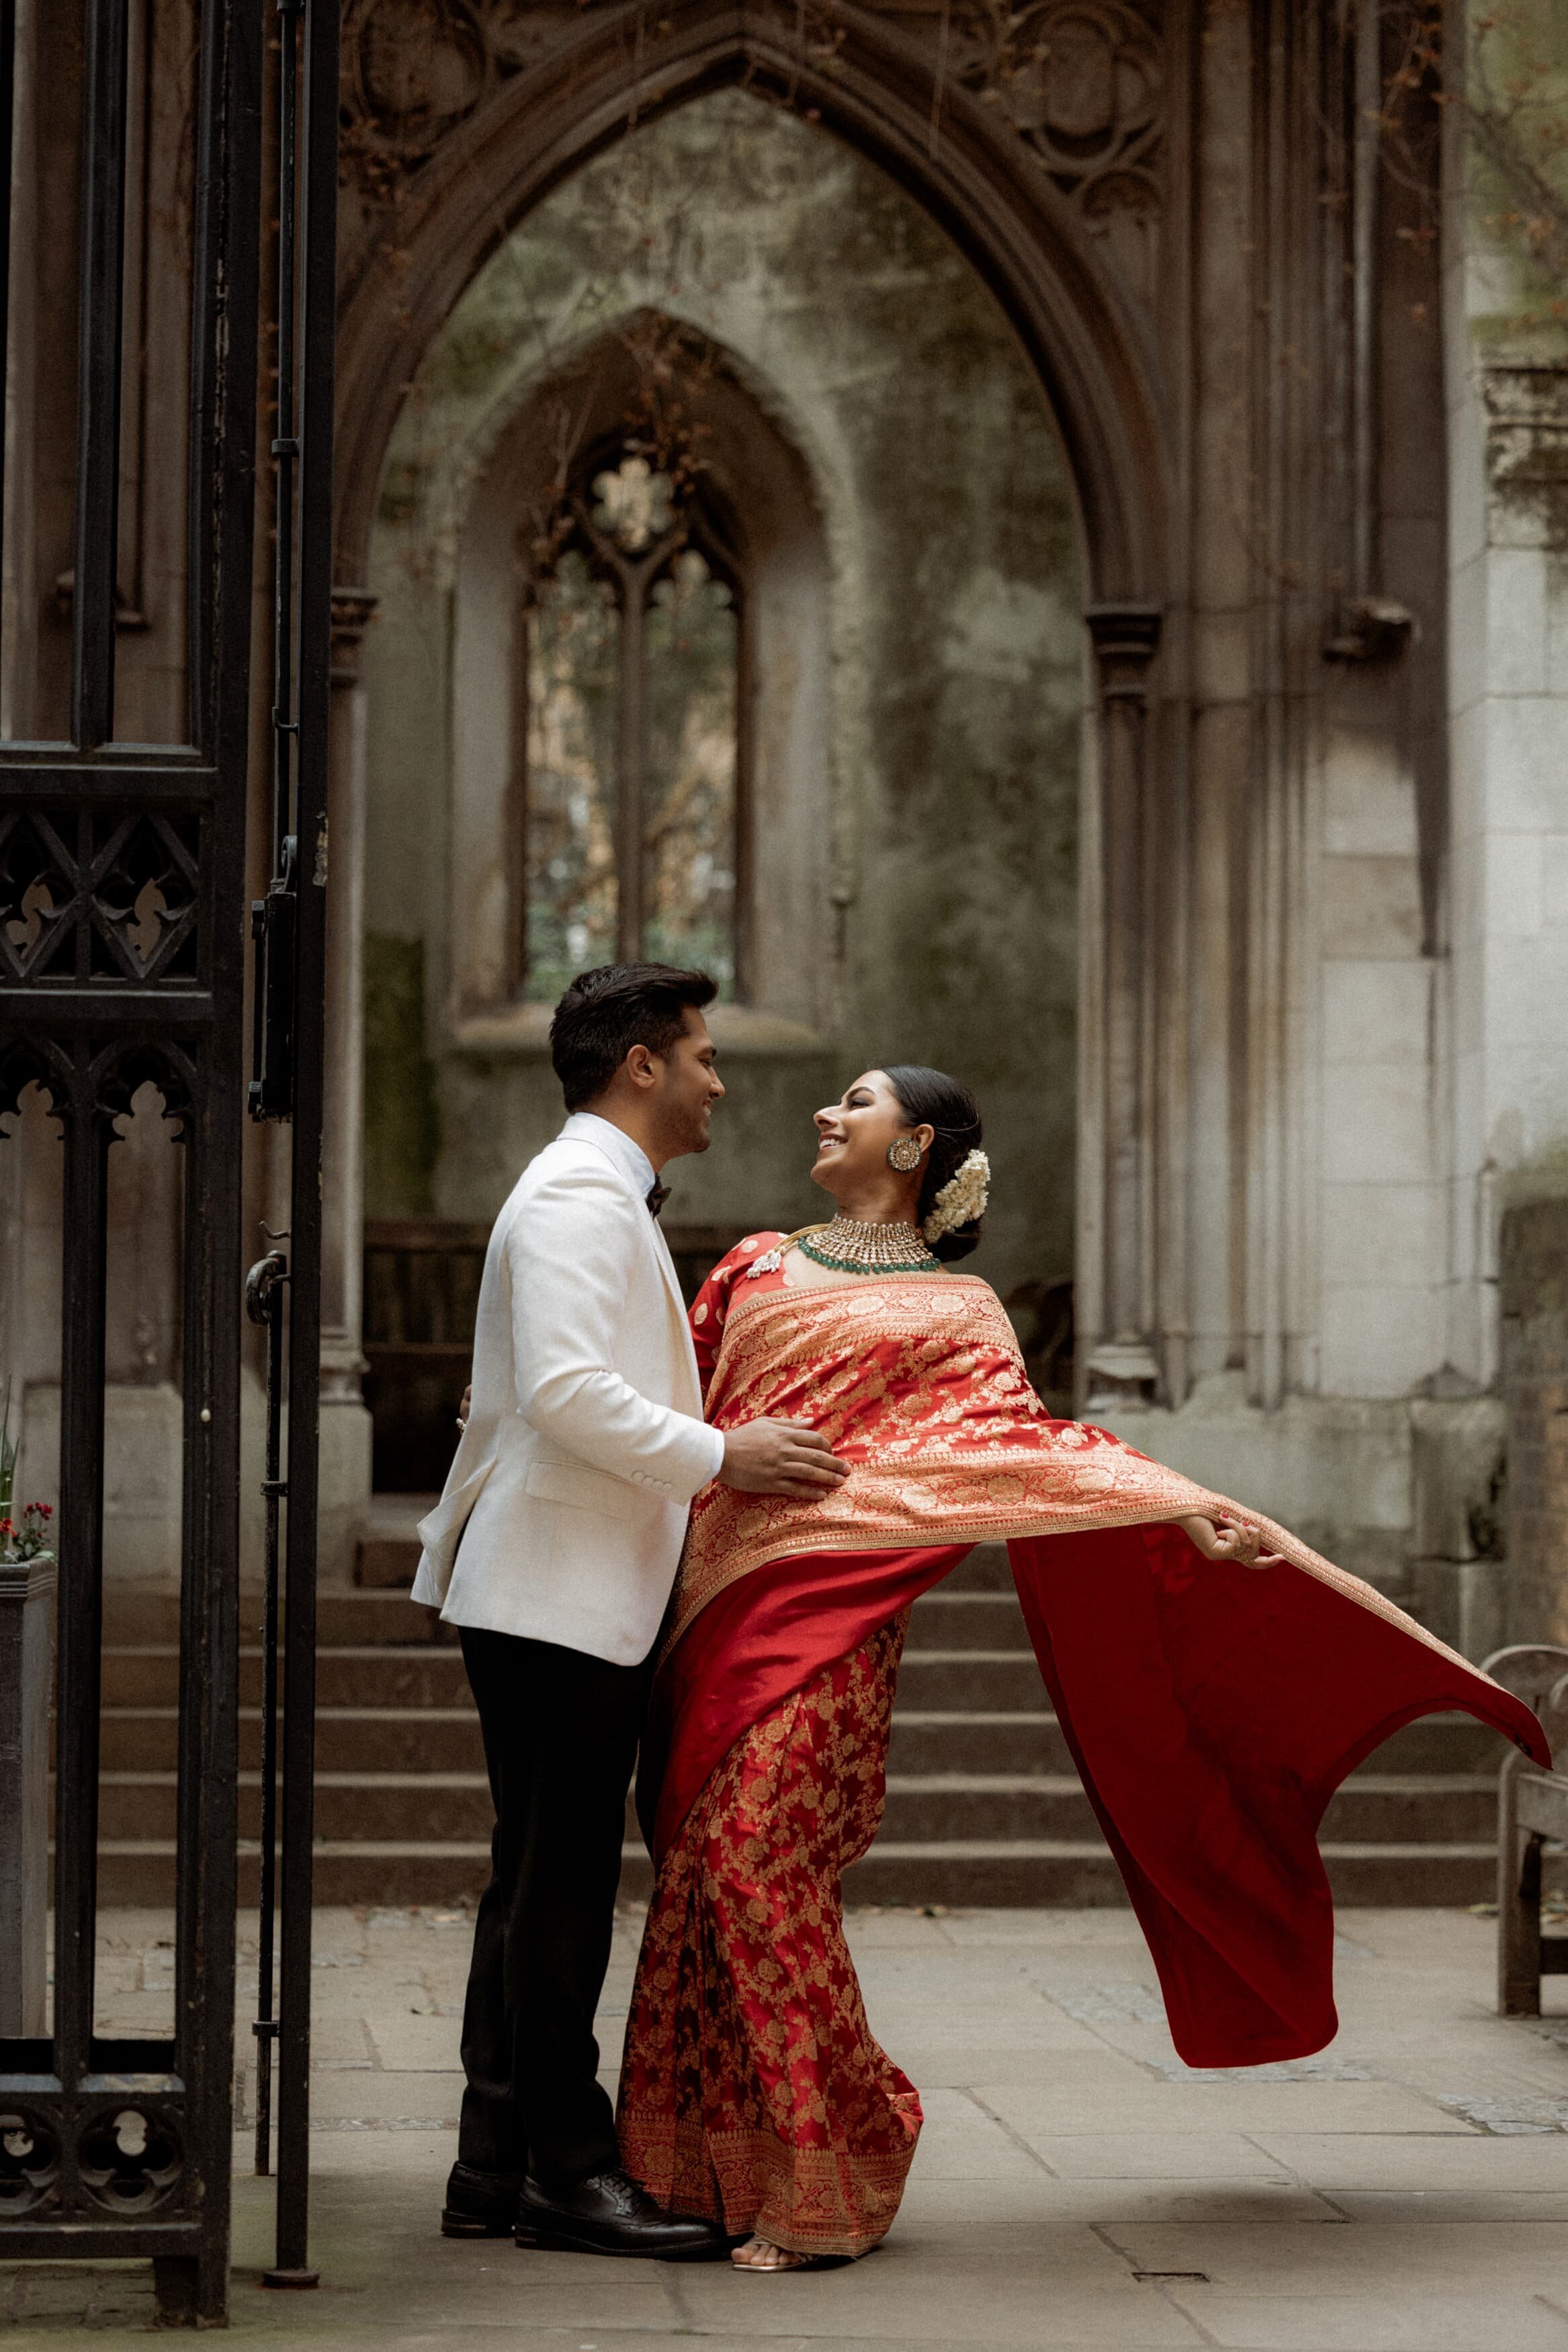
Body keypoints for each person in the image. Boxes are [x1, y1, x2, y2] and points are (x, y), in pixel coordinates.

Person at [615, 1064, 1549, 2272]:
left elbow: (1024, 1452)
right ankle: (716, 2170)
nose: (824, 1114)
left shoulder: (961, 1314)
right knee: (702, 1879)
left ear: (915, 1148)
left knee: (753, 1862)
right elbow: (670, 1403)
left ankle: (845, 2152)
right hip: (708, 1602)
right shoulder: (747, 1264)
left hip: (834, 1622)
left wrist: (1177, 1510)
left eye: (856, 1102)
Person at [409, 963, 848, 2258]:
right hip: (559, 1593)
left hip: (566, 1589)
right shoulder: (572, 1197)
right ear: (640, 1065)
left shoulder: (596, 1192)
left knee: (529, 1885)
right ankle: (569, 2168)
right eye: (703, 1054)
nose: (721, 1077)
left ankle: (490, 2166)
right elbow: (562, 1390)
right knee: (557, 1894)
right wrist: (725, 1456)